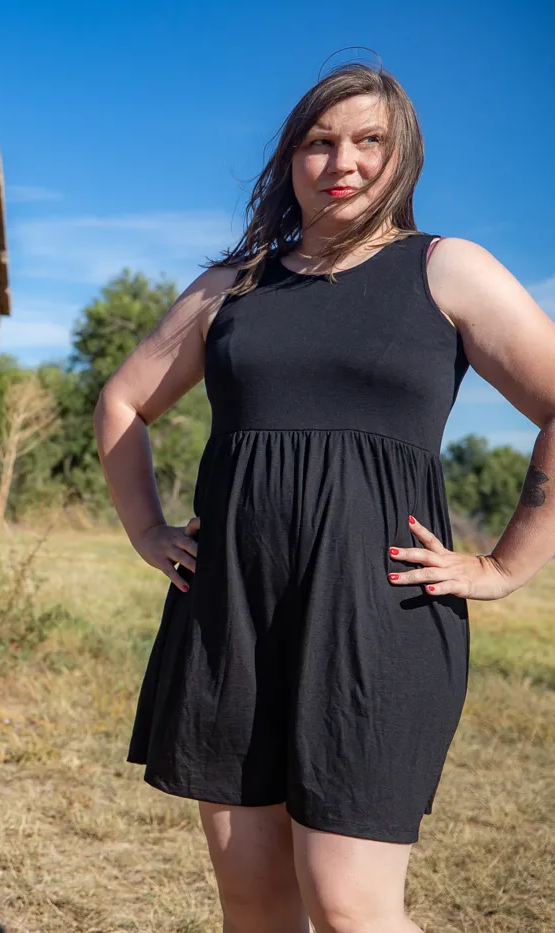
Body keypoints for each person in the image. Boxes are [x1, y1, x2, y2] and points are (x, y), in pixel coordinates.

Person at [94, 62, 555, 933]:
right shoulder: (232, 287)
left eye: (369, 141)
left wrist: (505, 563)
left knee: (348, 905)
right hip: (232, 612)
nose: (343, 161)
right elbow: (123, 399)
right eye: (320, 140)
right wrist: (147, 527)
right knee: (256, 900)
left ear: (403, 158)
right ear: (290, 159)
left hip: (377, 619)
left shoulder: (446, 269)